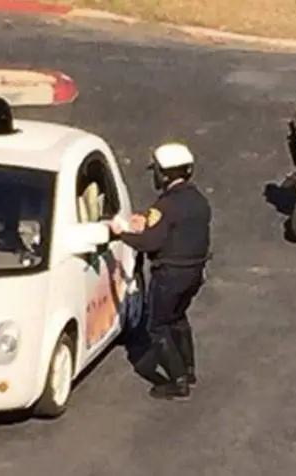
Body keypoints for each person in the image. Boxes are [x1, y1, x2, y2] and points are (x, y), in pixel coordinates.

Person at [110, 142, 212, 400]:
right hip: (194, 273)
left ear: (164, 174)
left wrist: (122, 234)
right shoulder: (199, 201)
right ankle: (188, 369)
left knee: (157, 325)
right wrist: (147, 222)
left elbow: (150, 243)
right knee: (177, 318)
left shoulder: (165, 206)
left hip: (170, 275)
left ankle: (177, 381)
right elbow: (176, 230)